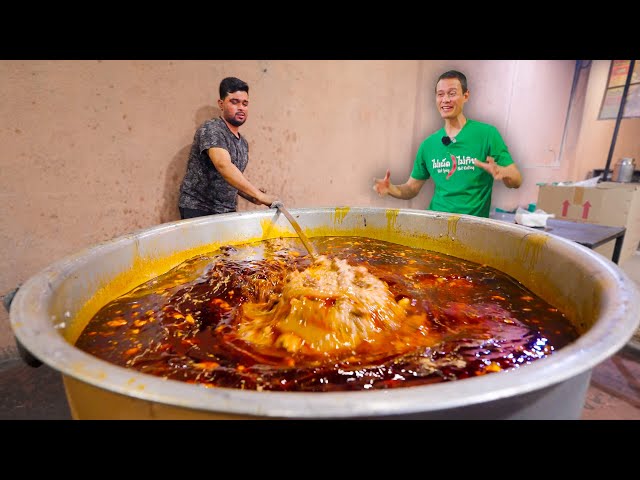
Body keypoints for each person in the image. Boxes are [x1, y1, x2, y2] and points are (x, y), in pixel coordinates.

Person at [373, 70, 522, 218]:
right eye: (440, 94)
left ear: (466, 96)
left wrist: (503, 172)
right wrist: (391, 189)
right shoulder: (428, 145)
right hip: (435, 224)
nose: (445, 100)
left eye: (452, 93)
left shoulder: (487, 134)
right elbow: (412, 188)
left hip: (472, 230)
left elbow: (516, 179)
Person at [178, 76, 281, 219]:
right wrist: (259, 195)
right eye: (234, 102)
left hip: (227, 211)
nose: (241, 108)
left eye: (245, 104)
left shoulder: (243, 143)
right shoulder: (212, 129)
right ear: (221, 104)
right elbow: (223, 165)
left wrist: (253, 196)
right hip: (199, 209)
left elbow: (230, 179)